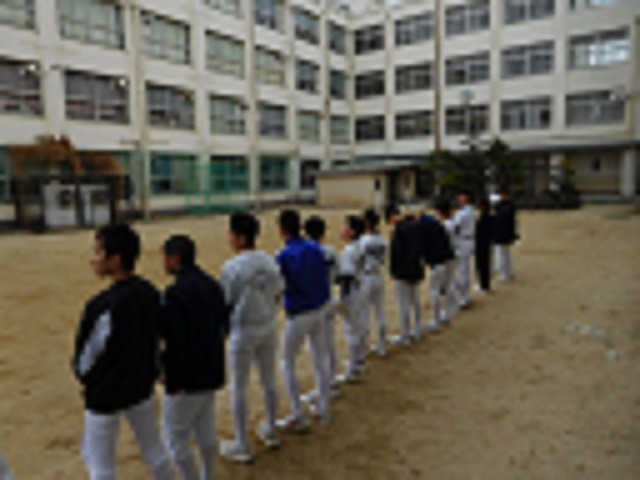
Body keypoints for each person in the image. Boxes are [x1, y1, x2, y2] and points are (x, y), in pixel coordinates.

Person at [72, 224, 173, 480]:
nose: (93, 259)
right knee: (154, 450)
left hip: (105, 395)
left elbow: (84, 360)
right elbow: (161, 336)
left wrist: (89, 382)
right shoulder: (151, 293)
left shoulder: (102, 306)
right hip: (141, 387)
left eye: (98, 252)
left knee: (101, 467)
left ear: (115, 260)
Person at [218, 213, 284, 463]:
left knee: (239, 386)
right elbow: (279, 292)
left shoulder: (232, 267)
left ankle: (242, 444)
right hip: (267, 324)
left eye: (232, 234)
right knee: (269, 380)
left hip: (244, 329)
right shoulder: (270, 261)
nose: (229, 239)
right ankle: (272, 429)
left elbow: (226, 301)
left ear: (240, 237)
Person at [160, 235, 227, 479]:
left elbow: (175, 341)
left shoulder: (175, 294)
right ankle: (208, 475)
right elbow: (224, 324)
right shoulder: (212, 285)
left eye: (166, 258)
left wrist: (173, 378)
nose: (164, 263)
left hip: (187, 376)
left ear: (175, 259)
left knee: (175, 435)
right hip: (212, 368)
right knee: (205, 430)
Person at [276, 210, 331, 432]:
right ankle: (324, 407)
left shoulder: (284, 255)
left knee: (286, 361)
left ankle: (298, 413)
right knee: (320, 358)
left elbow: (279, 287)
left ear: (282, 230)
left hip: (299, 312)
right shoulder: (316, 249)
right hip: (318, 309)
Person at [304, 216, 341, 394]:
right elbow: (339, 273)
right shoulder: (331, 251)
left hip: (315, 302)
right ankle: (331, 380)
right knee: (329, 342)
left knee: (317, 348)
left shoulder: (308, 253)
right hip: (329, 297)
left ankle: (324, 387)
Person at [385, 205, 426, 345]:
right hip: (416, 267)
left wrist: (393, 271)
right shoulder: (416, 226)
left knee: (404, 303)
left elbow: (396, 253)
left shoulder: (399, 230)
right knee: (415, 300)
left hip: (403, 270)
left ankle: (405, 334)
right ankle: (418, 329)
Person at [337, 215, 367, 381]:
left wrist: (343, 297)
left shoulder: (348, 251)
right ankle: (360, 359)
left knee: (351, 329)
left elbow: (347, 276)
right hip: (360, 287)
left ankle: (353, 367)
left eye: (345, 227)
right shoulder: (359, 246)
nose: (342, 230)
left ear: (352, 232)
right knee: (359, 326)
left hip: (352, 291)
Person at [421, 205, 456, 332]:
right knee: (445, 287)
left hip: (438, 263)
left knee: (435, 291)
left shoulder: (432, 233)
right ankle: (446, 314)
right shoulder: (440, 229)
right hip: (447, 260)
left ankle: (437, 320)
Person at [359, 209, 389, 357]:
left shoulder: (364, 240)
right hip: (378, 275)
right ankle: (382, 345)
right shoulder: (383, 239)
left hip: (366, 276)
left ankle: (363, 348)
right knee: (380, 311)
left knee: (364, 313)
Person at [435, 199, 461, 322]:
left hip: (449, 255)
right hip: (456, 252)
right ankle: (454, 306)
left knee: (445, 285)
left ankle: (446, 311)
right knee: (450, 281)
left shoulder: (446, 225)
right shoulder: (454, 222)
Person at [454, 190, 476, 309]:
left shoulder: (463, 213)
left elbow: (455, 226)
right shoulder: (471, 210)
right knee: (465, 269)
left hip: (463, 240)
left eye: (461, 196)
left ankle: (463, 297)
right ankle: (466, 295)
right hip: (469, 240)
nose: (459, 198)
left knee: (462, 270)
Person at [494, 187, 519, 281]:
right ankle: (507, 271)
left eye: (504, 195)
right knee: (503, 252)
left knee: (503, 253)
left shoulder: (509, 206)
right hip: (500, 231)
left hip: (505, 232)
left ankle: (505, 273)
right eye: (501, 195)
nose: (502, 197)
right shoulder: (500, 205)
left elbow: (509, 219)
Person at [475, 198, 494, 293]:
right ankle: (484, 284)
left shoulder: (485, 217)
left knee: (483, 264)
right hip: (484, 242)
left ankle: (484, 286)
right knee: (483, 264)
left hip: (483, 243)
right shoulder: (485, 216)